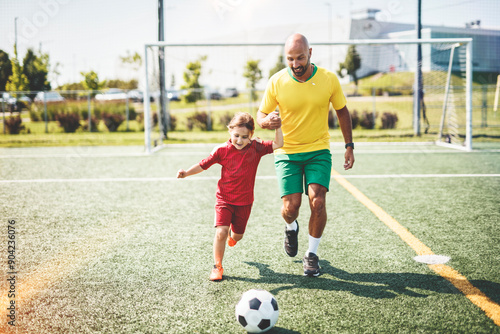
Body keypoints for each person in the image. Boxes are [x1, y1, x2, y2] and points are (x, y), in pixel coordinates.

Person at [257, 33, 355, 277]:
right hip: (287, 152)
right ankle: (291, 227)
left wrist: (349, 145)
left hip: (318, 150)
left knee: (317, 201)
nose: (295, 64)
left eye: (300, 57)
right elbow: (260, 117)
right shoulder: (276, 81)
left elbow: (342, 111)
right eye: (290, 59)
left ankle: (311, 254)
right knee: (290, 208)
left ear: (310, 53)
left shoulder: (328, 79)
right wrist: (267, 121)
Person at [177, 112, 283, 281]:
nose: (239, 141)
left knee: (237, 236)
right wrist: (186, 173)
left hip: (245, 202)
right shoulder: (222, 150)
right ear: (230, 132)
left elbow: (278, 143)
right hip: (224, 200)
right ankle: (217, 266)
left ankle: (232, 237)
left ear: (251, 135)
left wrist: (277, 126)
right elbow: (203, 165)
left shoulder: (256, 148)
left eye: (244, 137)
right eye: (236, 136)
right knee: (221, 232)